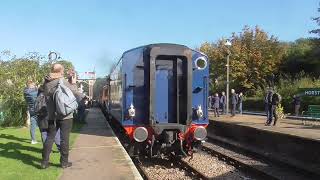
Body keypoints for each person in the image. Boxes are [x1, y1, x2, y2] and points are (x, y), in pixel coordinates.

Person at [41, 63, 85, 169]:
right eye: (62, 70)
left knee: (50, 138)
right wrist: (73, 83)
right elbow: (74, 93)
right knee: (64, 139)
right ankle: (64, 162)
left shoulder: (46, 83)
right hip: (65, 115)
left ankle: (44, 162)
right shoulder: (62, 81)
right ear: (60, 71)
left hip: (52, 115)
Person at [35, 85, 61, 150]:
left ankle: (46, 148)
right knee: (55, 133)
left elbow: (35, 108)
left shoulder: (38, 97)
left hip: (41, 117)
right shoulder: (49, 96)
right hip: (49, 117)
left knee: (44, 133)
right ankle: (59, 147)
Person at [24, 80, 38, 144]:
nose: (34, 86)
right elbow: (37, 95)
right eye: (33, 85)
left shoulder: (25, 92)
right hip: (37, 109)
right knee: (43, 124)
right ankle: (46, 139)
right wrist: (37, 88)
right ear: (31, 85)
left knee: (33, 125)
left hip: (31, 109)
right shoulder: (33, 92)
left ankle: (33, 140)